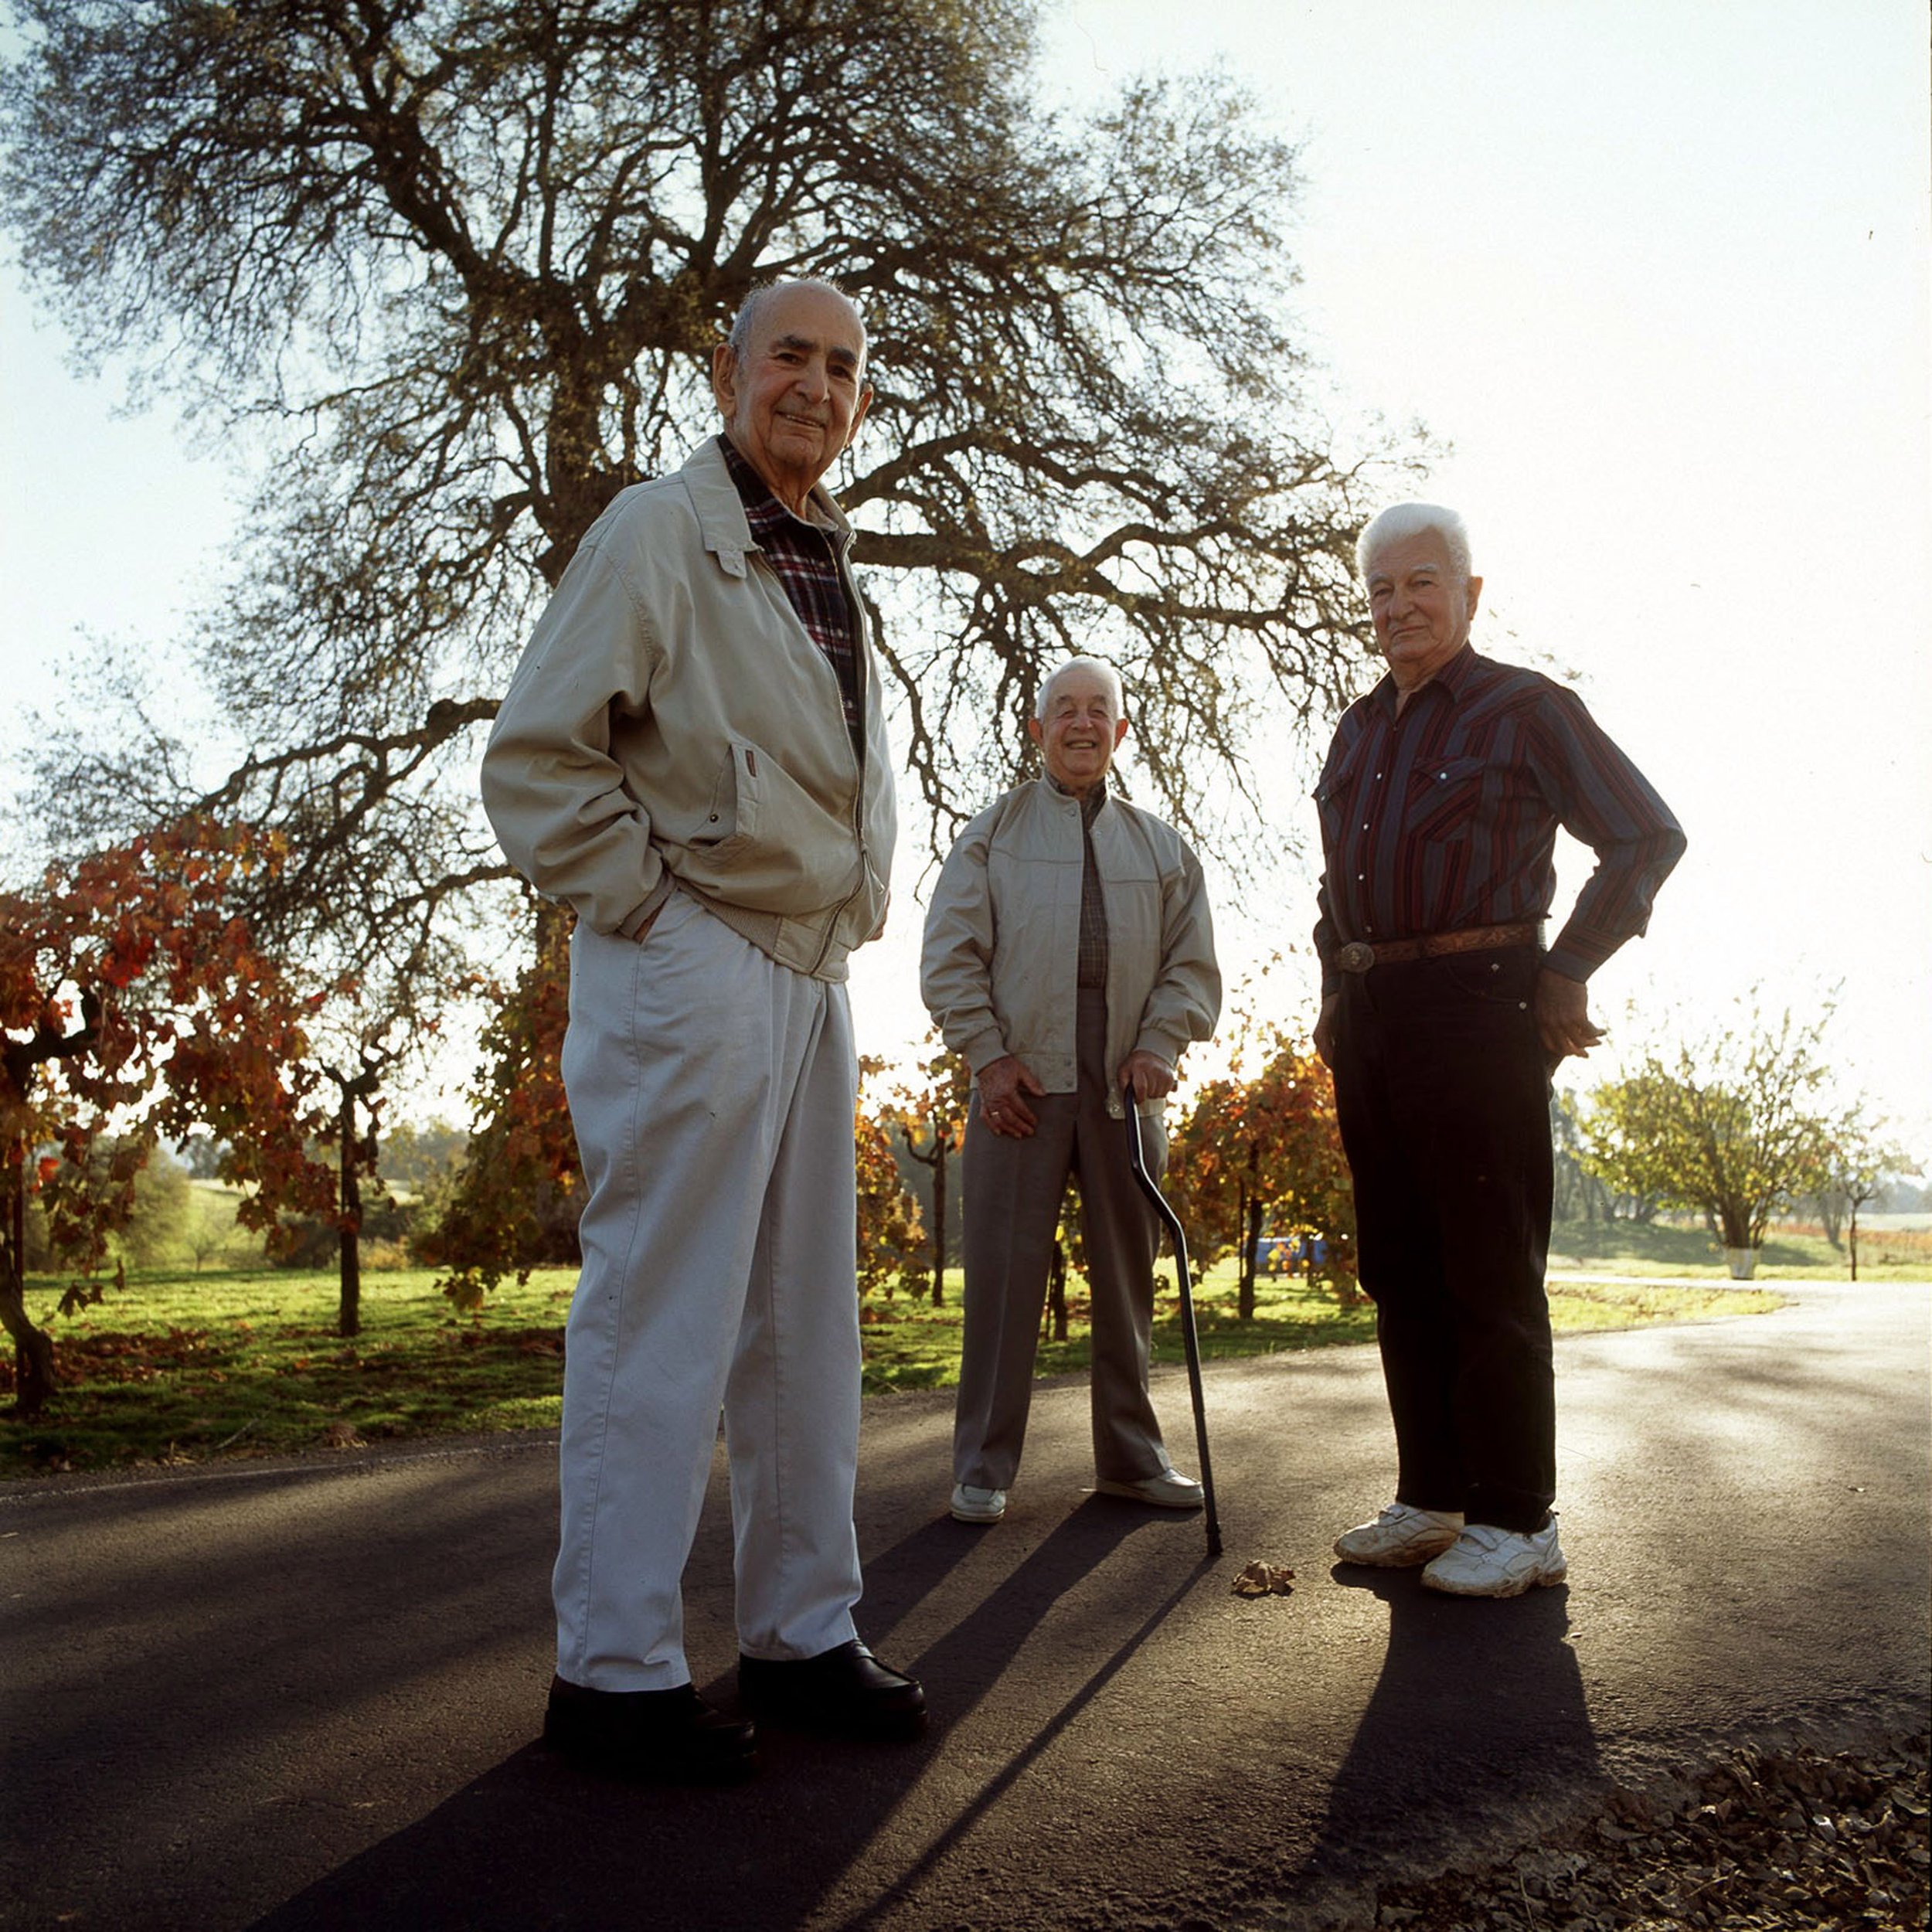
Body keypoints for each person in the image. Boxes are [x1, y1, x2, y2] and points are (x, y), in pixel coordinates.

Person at [481, 277, 923, 1780]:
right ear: (727, 370)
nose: (813, 383)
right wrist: (652, 912)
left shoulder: (831, 561)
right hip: (695, 961)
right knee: (659, 1313)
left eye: (842, 365)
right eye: (786, 354)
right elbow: (538, 760)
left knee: (805, 1330)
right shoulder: (659, 529)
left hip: (810, 976)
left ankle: (802, 1634)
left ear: (860, 399)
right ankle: (613, 1672)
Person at [1314, 502, 1685, 1597]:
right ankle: (1432, 1500)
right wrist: (1334, 988)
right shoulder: (1357, 731)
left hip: (1485, 1004)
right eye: (1382, 589)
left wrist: (1567, 968)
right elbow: (1337, 889)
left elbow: (1646, 834)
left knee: (1488, 1264)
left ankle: (1520, 1523)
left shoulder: (1528, 711)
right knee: (1399, 1267)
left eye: (1422, 584)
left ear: (1470, 594)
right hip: (1373, 1015)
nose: (1399, 606)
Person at [921, 658, 1221, 1526]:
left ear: (1121, 732)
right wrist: (986, 1055)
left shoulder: (1164, 848)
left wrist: (1162, 1041)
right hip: (1020, 1084)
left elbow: (1190, 965)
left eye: (1099, 712)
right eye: (1065, 711)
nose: (1082, 724)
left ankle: (1131, 1459)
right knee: (1004, 1283)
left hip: (1127, 1092)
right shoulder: (991, 834)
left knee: (1128, 1281)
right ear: (1037, 728)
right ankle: (981, 1466)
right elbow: (949, 956)